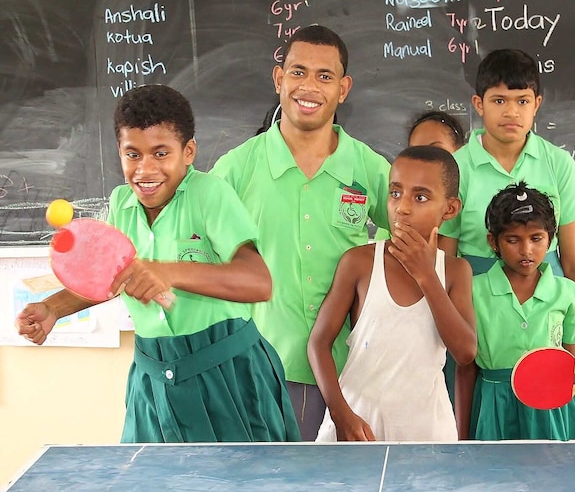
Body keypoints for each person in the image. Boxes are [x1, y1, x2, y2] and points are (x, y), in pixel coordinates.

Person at [15, 84, 300, 443]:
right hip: (153, 378)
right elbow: (112, 278)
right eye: (132, 155)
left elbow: (258, 282)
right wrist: (53, 308)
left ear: (188, 151)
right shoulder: (121, 204)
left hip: (227, 375)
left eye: (160, 153)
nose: (145, 170)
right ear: (119, 152)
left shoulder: (209, 194)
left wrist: (167, 271)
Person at [210, 25, 391, 440]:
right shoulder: (234, 171)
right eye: (298, 72)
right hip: (259, 371)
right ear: (279, 79)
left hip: (353, 374)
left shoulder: (371, 169)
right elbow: (203, 265)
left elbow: (412, 246)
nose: (309, 86)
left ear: (343, 89)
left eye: (325, 76)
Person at [438, 49, 575, 408]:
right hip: (478, 316)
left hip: (543, 319)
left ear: (537, 103)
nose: (511, 112)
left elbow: (574, 265)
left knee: (549, 426)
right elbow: (443, 260)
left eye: (522, 100)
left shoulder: (558, 165)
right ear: (478, 104)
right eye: (499, 100)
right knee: (476, 416)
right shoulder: (457, 167)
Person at [309, 145, 476, 441]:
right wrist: (340, 413)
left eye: (420, 197)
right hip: (359, 425)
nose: (403, 207)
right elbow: (319, 343)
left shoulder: (454, 271)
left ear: (449, 209)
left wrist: (426, 275)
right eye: (395, 193)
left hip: (426, 431)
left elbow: (465, 352)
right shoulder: (359, 262)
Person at [456, 182, 575, 441]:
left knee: (552, 477)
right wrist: (462, 435)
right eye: (513, 240)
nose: (526, 250)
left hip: (553, 410)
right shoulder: (472, 290)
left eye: (536, 238)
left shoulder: (568, 293)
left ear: (551, 238)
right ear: (494, 242)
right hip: (495, 406)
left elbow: (573, 368)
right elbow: (466, 369)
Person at [374, 110, 466, 241]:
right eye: (414, 151)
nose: (421, 163)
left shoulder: (469, 205)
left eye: (436, 151)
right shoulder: (390, 231)